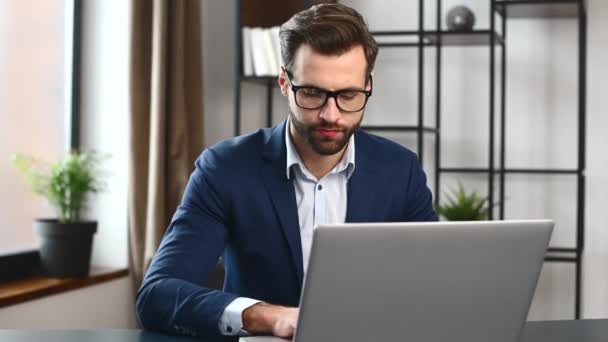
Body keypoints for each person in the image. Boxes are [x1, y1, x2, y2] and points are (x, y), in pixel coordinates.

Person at [136, 3, 437, 339]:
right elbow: (157, 295)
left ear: (368, 85)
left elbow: (435, 284)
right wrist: (264, 316)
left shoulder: (401, 170)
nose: (331, 114)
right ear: (284, 82)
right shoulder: (224, 169)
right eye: (312, 93)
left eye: (349, 95)